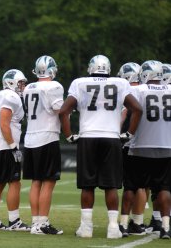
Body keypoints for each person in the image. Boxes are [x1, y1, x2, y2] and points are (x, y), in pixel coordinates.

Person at [59, 55, 142, 239]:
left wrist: (69, 135)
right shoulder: (120, 83)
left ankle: (86, 227)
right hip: (111, 137)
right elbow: (137, 109)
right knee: (111, 185)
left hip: (88, 137)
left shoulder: (79, 83)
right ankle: (113, 228)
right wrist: (129, 134)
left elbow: (64, 111)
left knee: (87, 186)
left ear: (90, 68)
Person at [128, 60, 171, 239]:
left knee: (136, 185)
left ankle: (129, 222)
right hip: (167, 145)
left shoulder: (139, 90)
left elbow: (130, 112)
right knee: (164, 187)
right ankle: (165, 226)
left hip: (142, 146)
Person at [23, 55, 64, 235]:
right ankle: (43, 223)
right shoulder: (54, 86)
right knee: (48, 181)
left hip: (30, 137)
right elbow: (59, 110)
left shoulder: (28, 88)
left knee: (36, 182)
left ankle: (35, 223)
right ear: (52, 69)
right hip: (47, 137)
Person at [0, 69, 30, 231]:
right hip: (5, 144)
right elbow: (4, 123)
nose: (23, 86)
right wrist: (13, 146)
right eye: (20, 83)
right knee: (15, 182)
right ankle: (14, 220)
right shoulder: (11, 96)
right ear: (11, 82)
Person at [116, 62, 148, 237]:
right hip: (146, 142)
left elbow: (123, 116)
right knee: (142, 186)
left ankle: (123, 223)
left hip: (130, 143)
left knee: (129, 186)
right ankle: (138, 222)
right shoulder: (147, 90)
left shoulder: (127, 92)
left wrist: (118, 133)